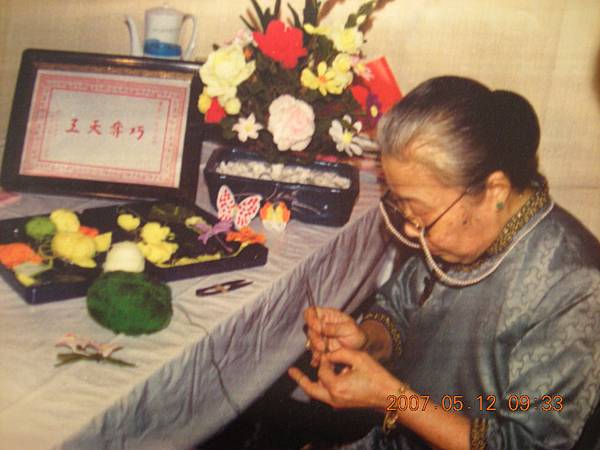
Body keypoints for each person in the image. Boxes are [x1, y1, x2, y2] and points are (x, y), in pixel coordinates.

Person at [288, 76, 600, 449]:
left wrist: (392, 399)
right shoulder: (456, 228)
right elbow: (400, 308)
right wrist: (367, 340)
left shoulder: (574, 285)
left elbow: (523, 444)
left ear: (495, 192)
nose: (408, 225)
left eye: (419, 212)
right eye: (400, 206)